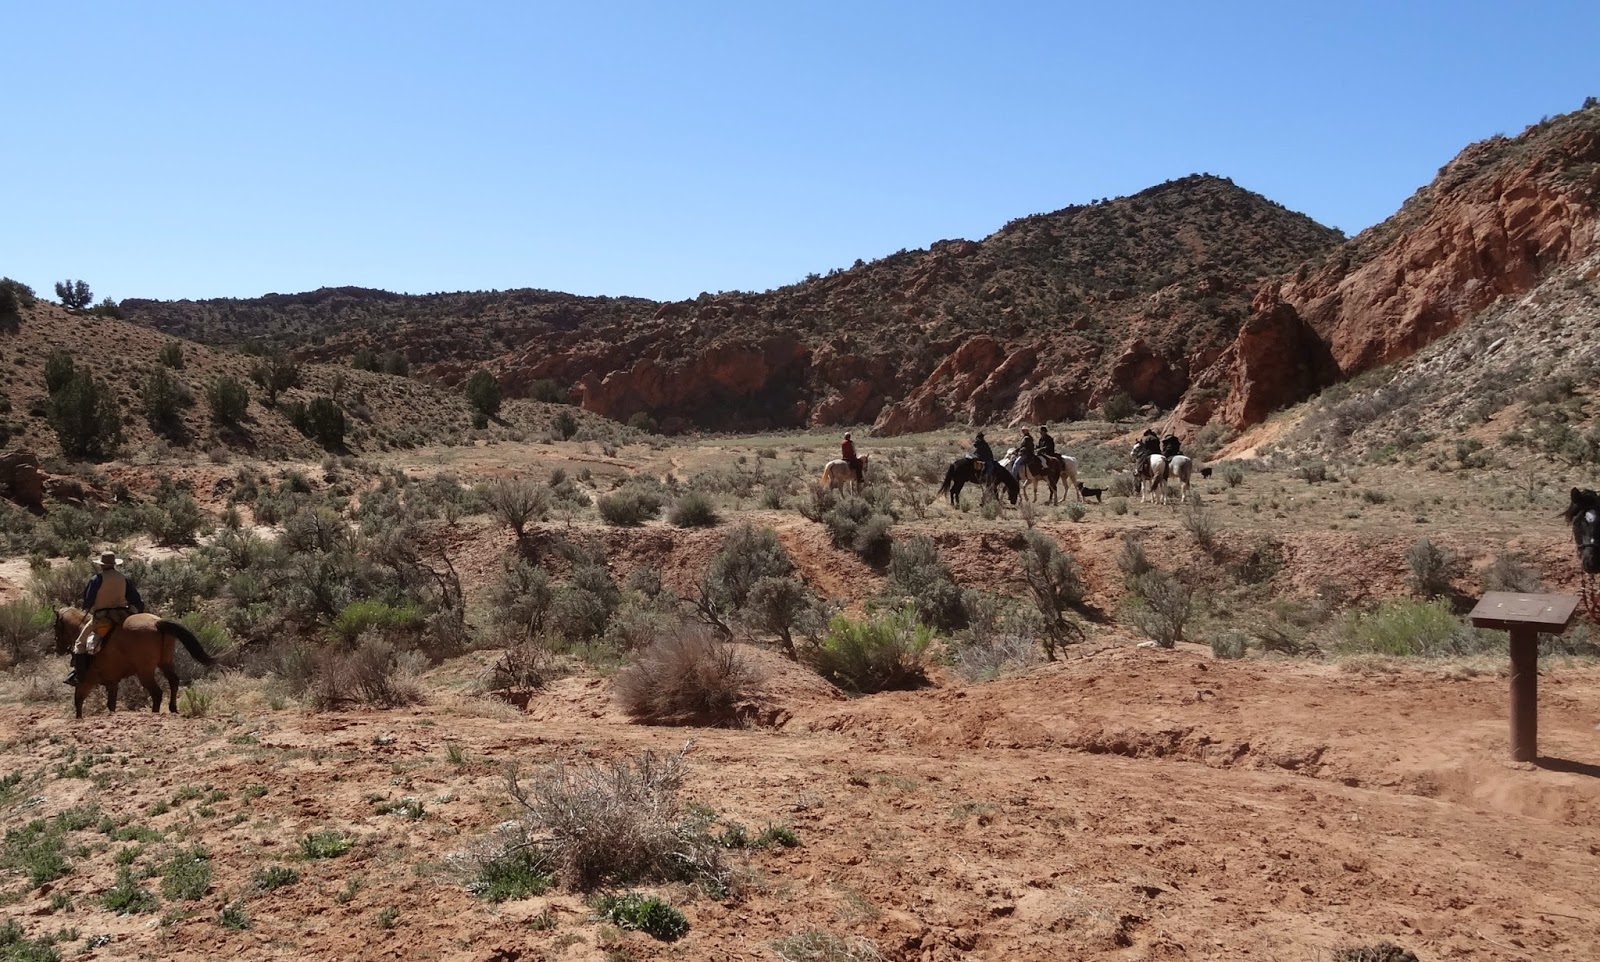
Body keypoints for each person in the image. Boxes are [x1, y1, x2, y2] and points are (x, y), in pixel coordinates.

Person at [65, 551, 145, 686]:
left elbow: (88, 601)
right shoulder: (123, 578)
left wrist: (88, 606)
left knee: (79, 643)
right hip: (122, 616)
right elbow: (136, 599)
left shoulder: (97, 579)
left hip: (102, 617)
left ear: (102, 565)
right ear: (114, 565)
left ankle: (79, 676)